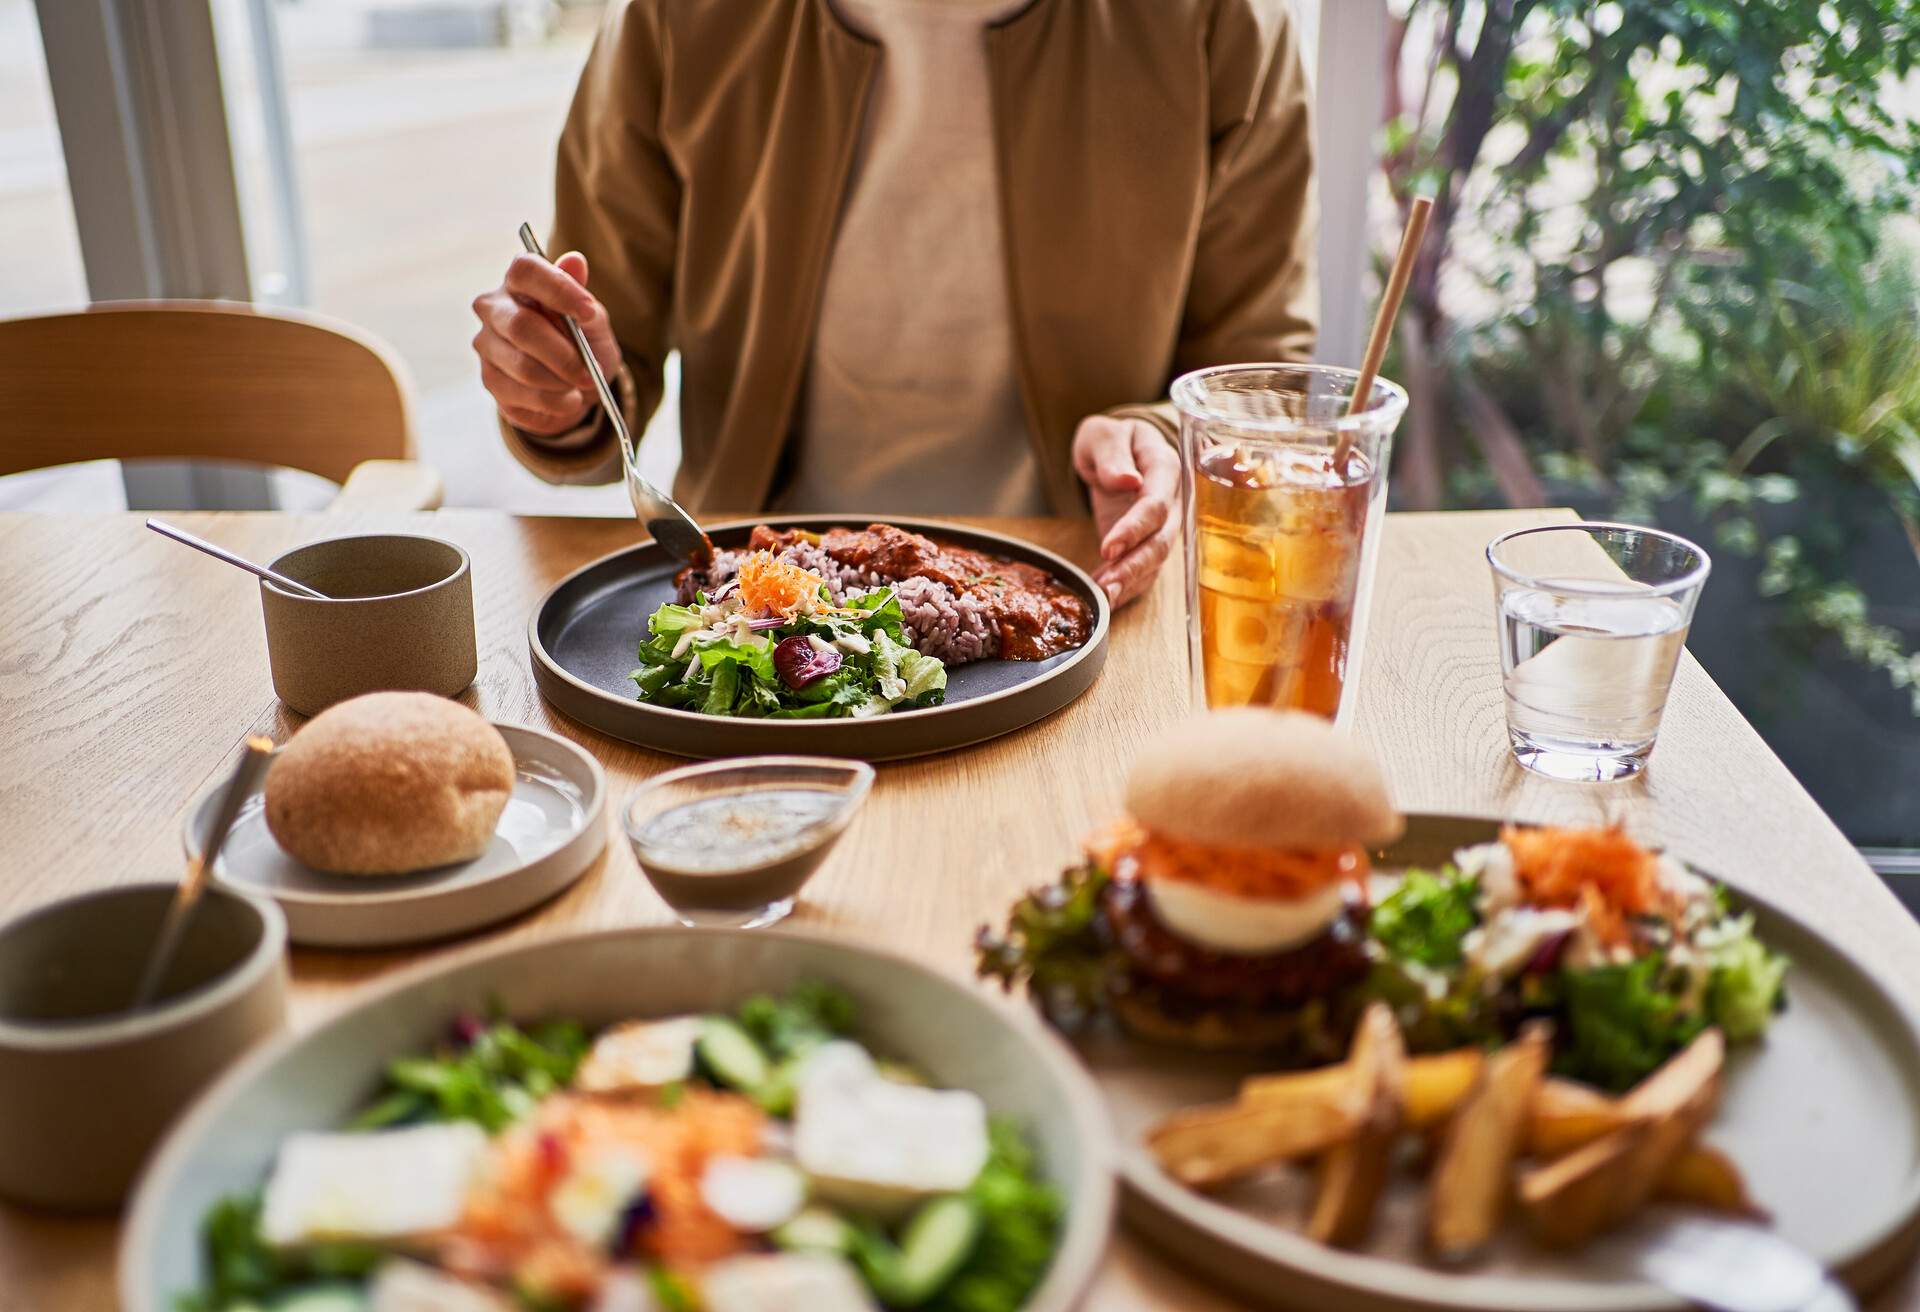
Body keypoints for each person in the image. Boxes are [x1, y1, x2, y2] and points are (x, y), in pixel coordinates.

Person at [473, 0, 1315, 606]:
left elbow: (1261, 375)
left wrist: (1161, 437)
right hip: (747, 587)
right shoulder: (674, 22)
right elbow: (595, 361)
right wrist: (559, 394)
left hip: (1084, 587)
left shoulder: (1223, 27)